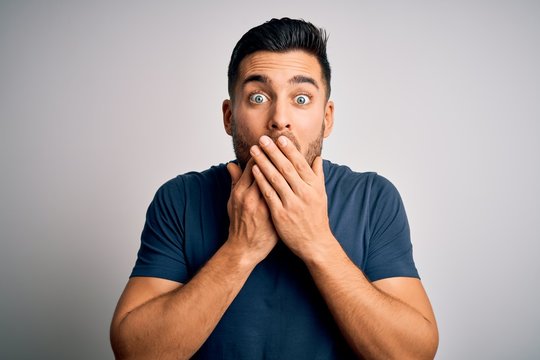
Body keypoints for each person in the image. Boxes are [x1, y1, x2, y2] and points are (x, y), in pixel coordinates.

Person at [110, 18, 438, 359]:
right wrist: (240, 250)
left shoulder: (373, 198)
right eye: (257, 96)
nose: (280, 117)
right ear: (229, 116)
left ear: (327, 118)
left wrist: (317, 244)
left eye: (301, 98)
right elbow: (135, 352)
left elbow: (413, 354)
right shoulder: (179, 199)